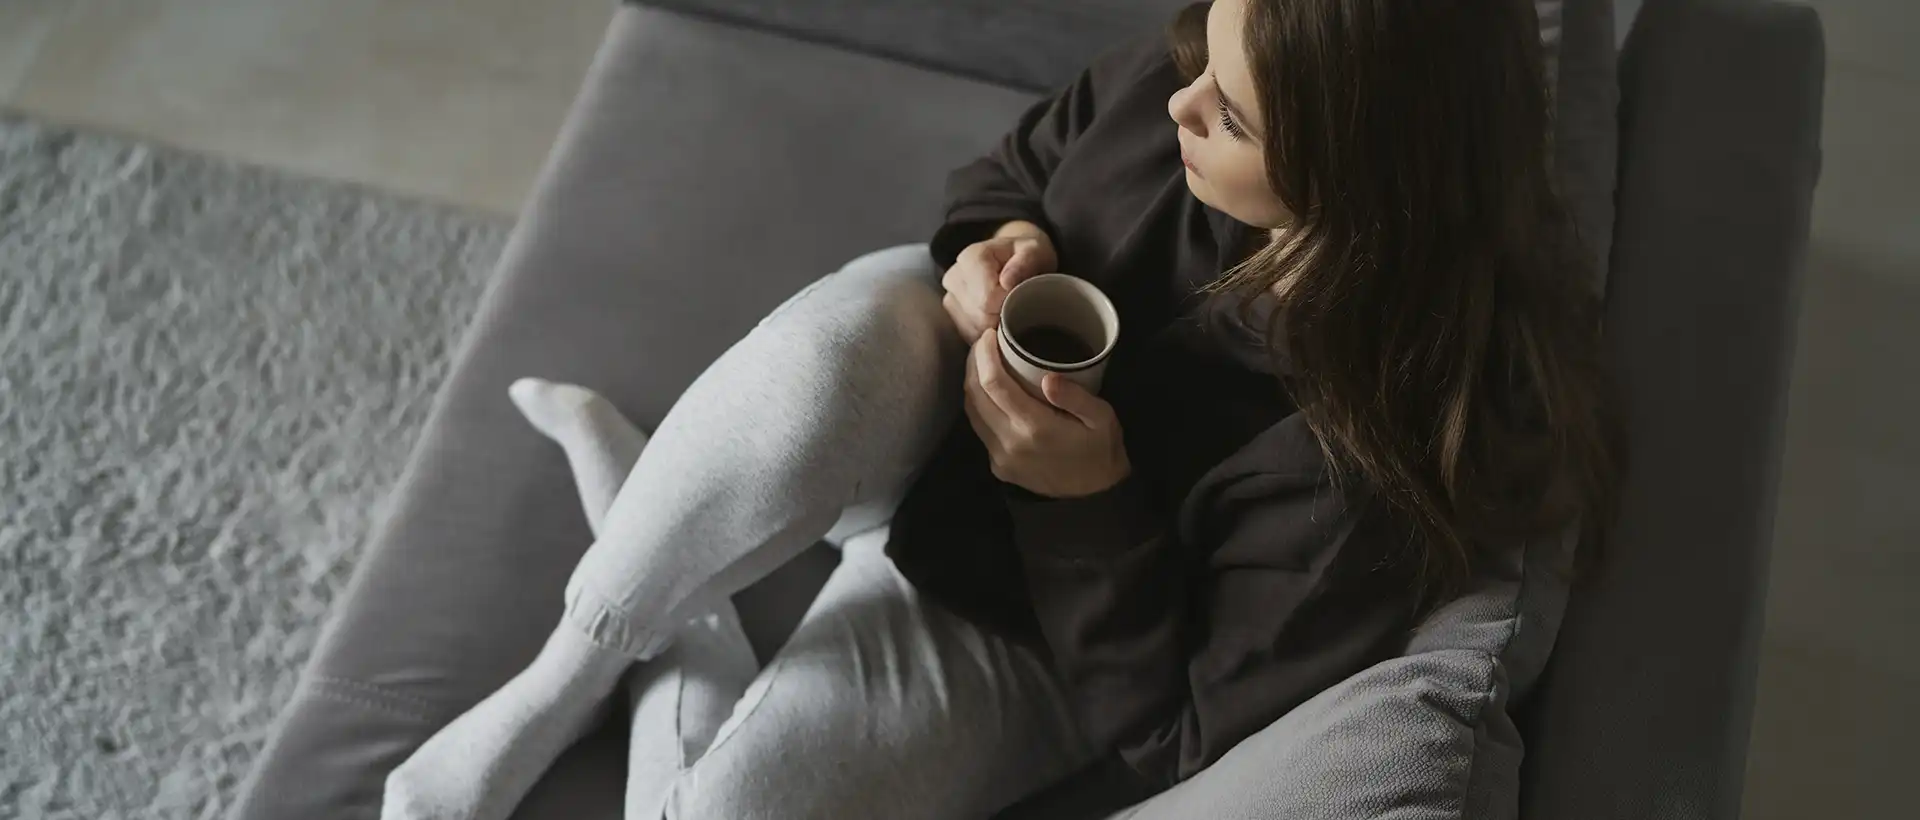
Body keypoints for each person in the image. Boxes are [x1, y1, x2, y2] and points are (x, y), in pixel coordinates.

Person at [381, 0, 1619, 818]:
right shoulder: (1181, 87)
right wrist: (996, 239)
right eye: (1205, 55)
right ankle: (562, 675)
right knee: (831, 354)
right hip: (925, 416)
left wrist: (1084, 505)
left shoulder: (1355, 467)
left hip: (1031, 628)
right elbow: (1012, 168)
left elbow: (1180, 739)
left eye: (1231, 116)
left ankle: (687, 607)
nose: (1185, 101)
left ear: (1359, 181)